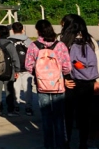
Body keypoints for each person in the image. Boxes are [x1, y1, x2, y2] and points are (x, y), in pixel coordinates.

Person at [26, 20, 71, 149]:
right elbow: (67, 66)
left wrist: (39, 74)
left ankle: (49, 145)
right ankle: (61, 144)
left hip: (42, 85)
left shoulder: (33, 46)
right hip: (58, 84)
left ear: (38, 31)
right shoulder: (60, 45)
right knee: (58, 116)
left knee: (46, 116)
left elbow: (28, 66)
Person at [60, 15, 99, 149]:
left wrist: (63, 79)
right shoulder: (90, 40)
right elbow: (98, 62)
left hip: (69, 81)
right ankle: (83, 143)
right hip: (88, 81)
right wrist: (98, 81)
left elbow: (58, 63)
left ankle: (66, 142)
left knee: (67, 114)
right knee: (85, 114)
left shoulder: (63, 41)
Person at [7, 21, 34, 116]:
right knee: (27, 89)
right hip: (27, 69)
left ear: (13, 31)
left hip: (14, 69)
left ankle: (16, 106)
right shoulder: (28, 41)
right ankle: (28, 108)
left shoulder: (9, 41)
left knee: (15, 88)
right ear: (23, 30)